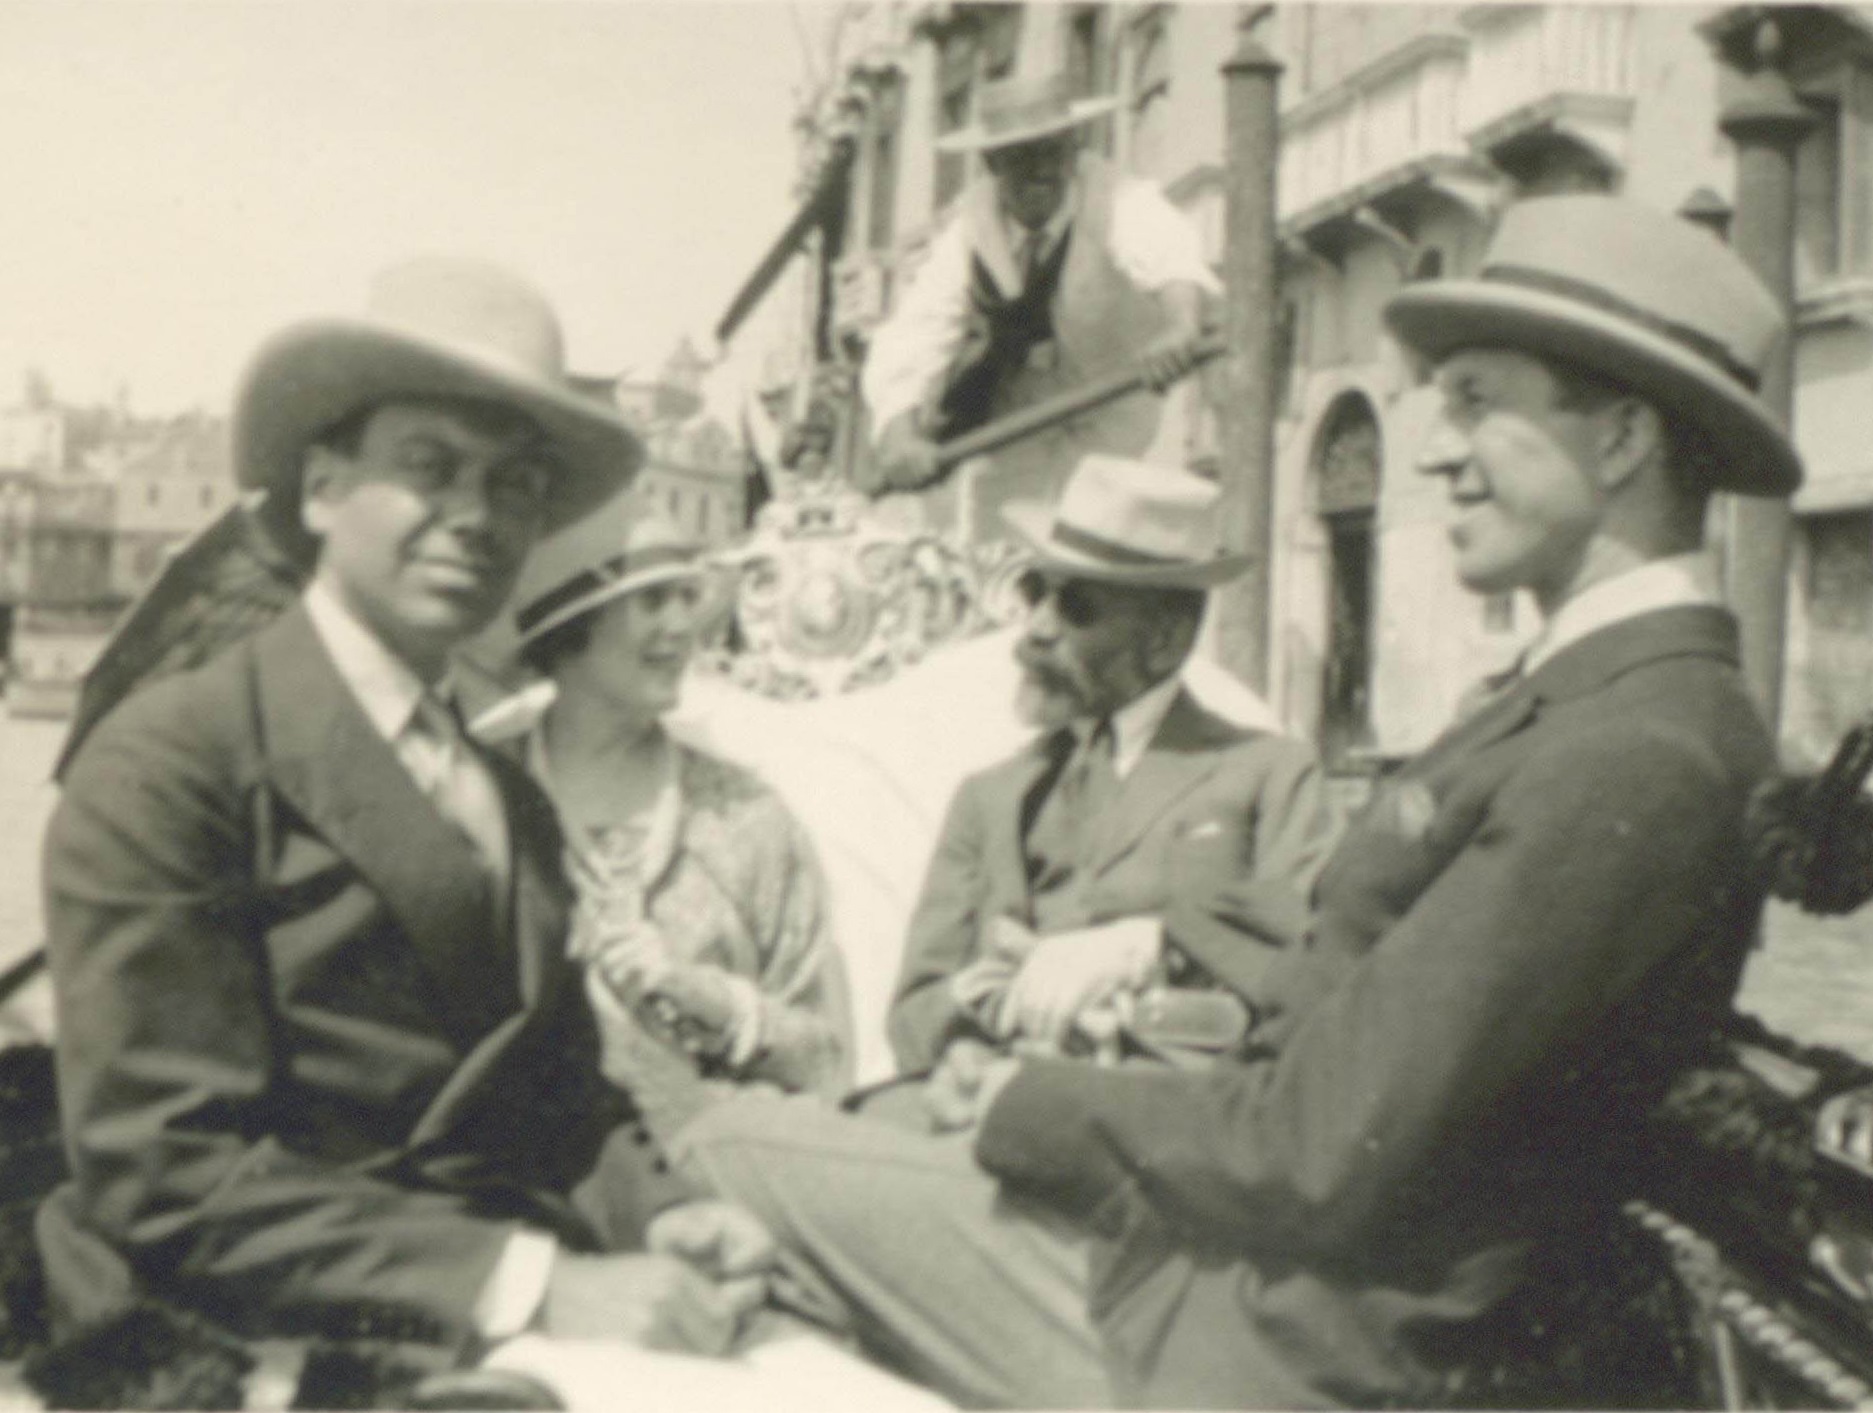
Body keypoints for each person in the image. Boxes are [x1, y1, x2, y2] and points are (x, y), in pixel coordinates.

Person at [669, 194, 1802, 1408]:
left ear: (1623, 439)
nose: (1432, 447)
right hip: (1299, 1288)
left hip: (1300, 1345)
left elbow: (1316, 1151)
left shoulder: (1631, 748)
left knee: (718, 1151)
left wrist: (1019, 1100)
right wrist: (1145, 964)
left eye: (1477, 400)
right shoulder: (1617, 709)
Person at [38, 257, 787, 1362]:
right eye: (430, 465)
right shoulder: (173, 761)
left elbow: (554, 1092)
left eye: (517, 483)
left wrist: (657, 1209)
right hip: (243, 1339)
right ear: (322, 488)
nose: (477, 516)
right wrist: (533, 1287)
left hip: (481, 1306)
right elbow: (168, 1173)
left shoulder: (507, 797)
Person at [882, 453, 1335, 1103]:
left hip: (1173, 1129)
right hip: (996, 1113)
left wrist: (1144, 973)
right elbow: (911, 1013)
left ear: (1165, 638)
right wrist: (972, 1028)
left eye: (1077, 607)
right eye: (1036, 591)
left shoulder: (1270, 773)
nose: (1034, 629)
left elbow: (1316, 972)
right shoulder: (991, 796)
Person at [482, 495, 853, 1102]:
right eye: (652, 601)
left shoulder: (748, 818)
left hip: (713, 1170)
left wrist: (705, 1001)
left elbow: (827, 1061)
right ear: (574, 624)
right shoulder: (480, 793)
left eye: (688, 598)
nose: (683, 628)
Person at [859, 71, 1218, 524]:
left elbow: (1168, 254)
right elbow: (916, 332)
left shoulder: (1113, 196)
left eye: (1053, 152)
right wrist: (898, 433)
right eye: (1022, 157)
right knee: (1001, 555)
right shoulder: (970, 227)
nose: (1042, 171)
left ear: (1073, 149)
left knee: (1100, 547)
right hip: (1017, 420)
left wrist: (1181, 325)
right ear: (992, 162)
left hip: (1116, 413)